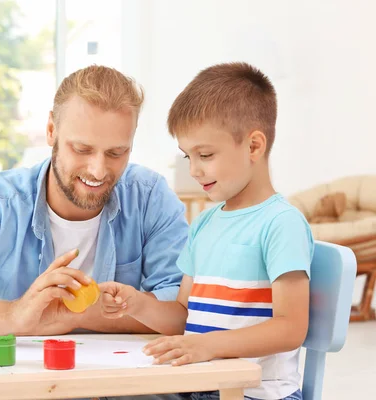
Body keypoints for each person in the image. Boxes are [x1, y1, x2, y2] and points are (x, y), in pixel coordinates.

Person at [0, 65, 190, 342]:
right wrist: (16, 316)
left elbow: (183, 310)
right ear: (51, 131)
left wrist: (78, 312)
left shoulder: (149, 197)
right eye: (82, 149)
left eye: (116, 153)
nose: (98, 170)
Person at [101, 62, 313, 400]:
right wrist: (138, 304)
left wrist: (207, 346)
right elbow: (183, 315)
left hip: (257, 393)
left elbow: (291, 328)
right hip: (200, 385)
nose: (195, 170)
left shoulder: (281, 223)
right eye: (188, 156)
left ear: (254, 147)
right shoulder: (204, 223)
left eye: (205, 154)